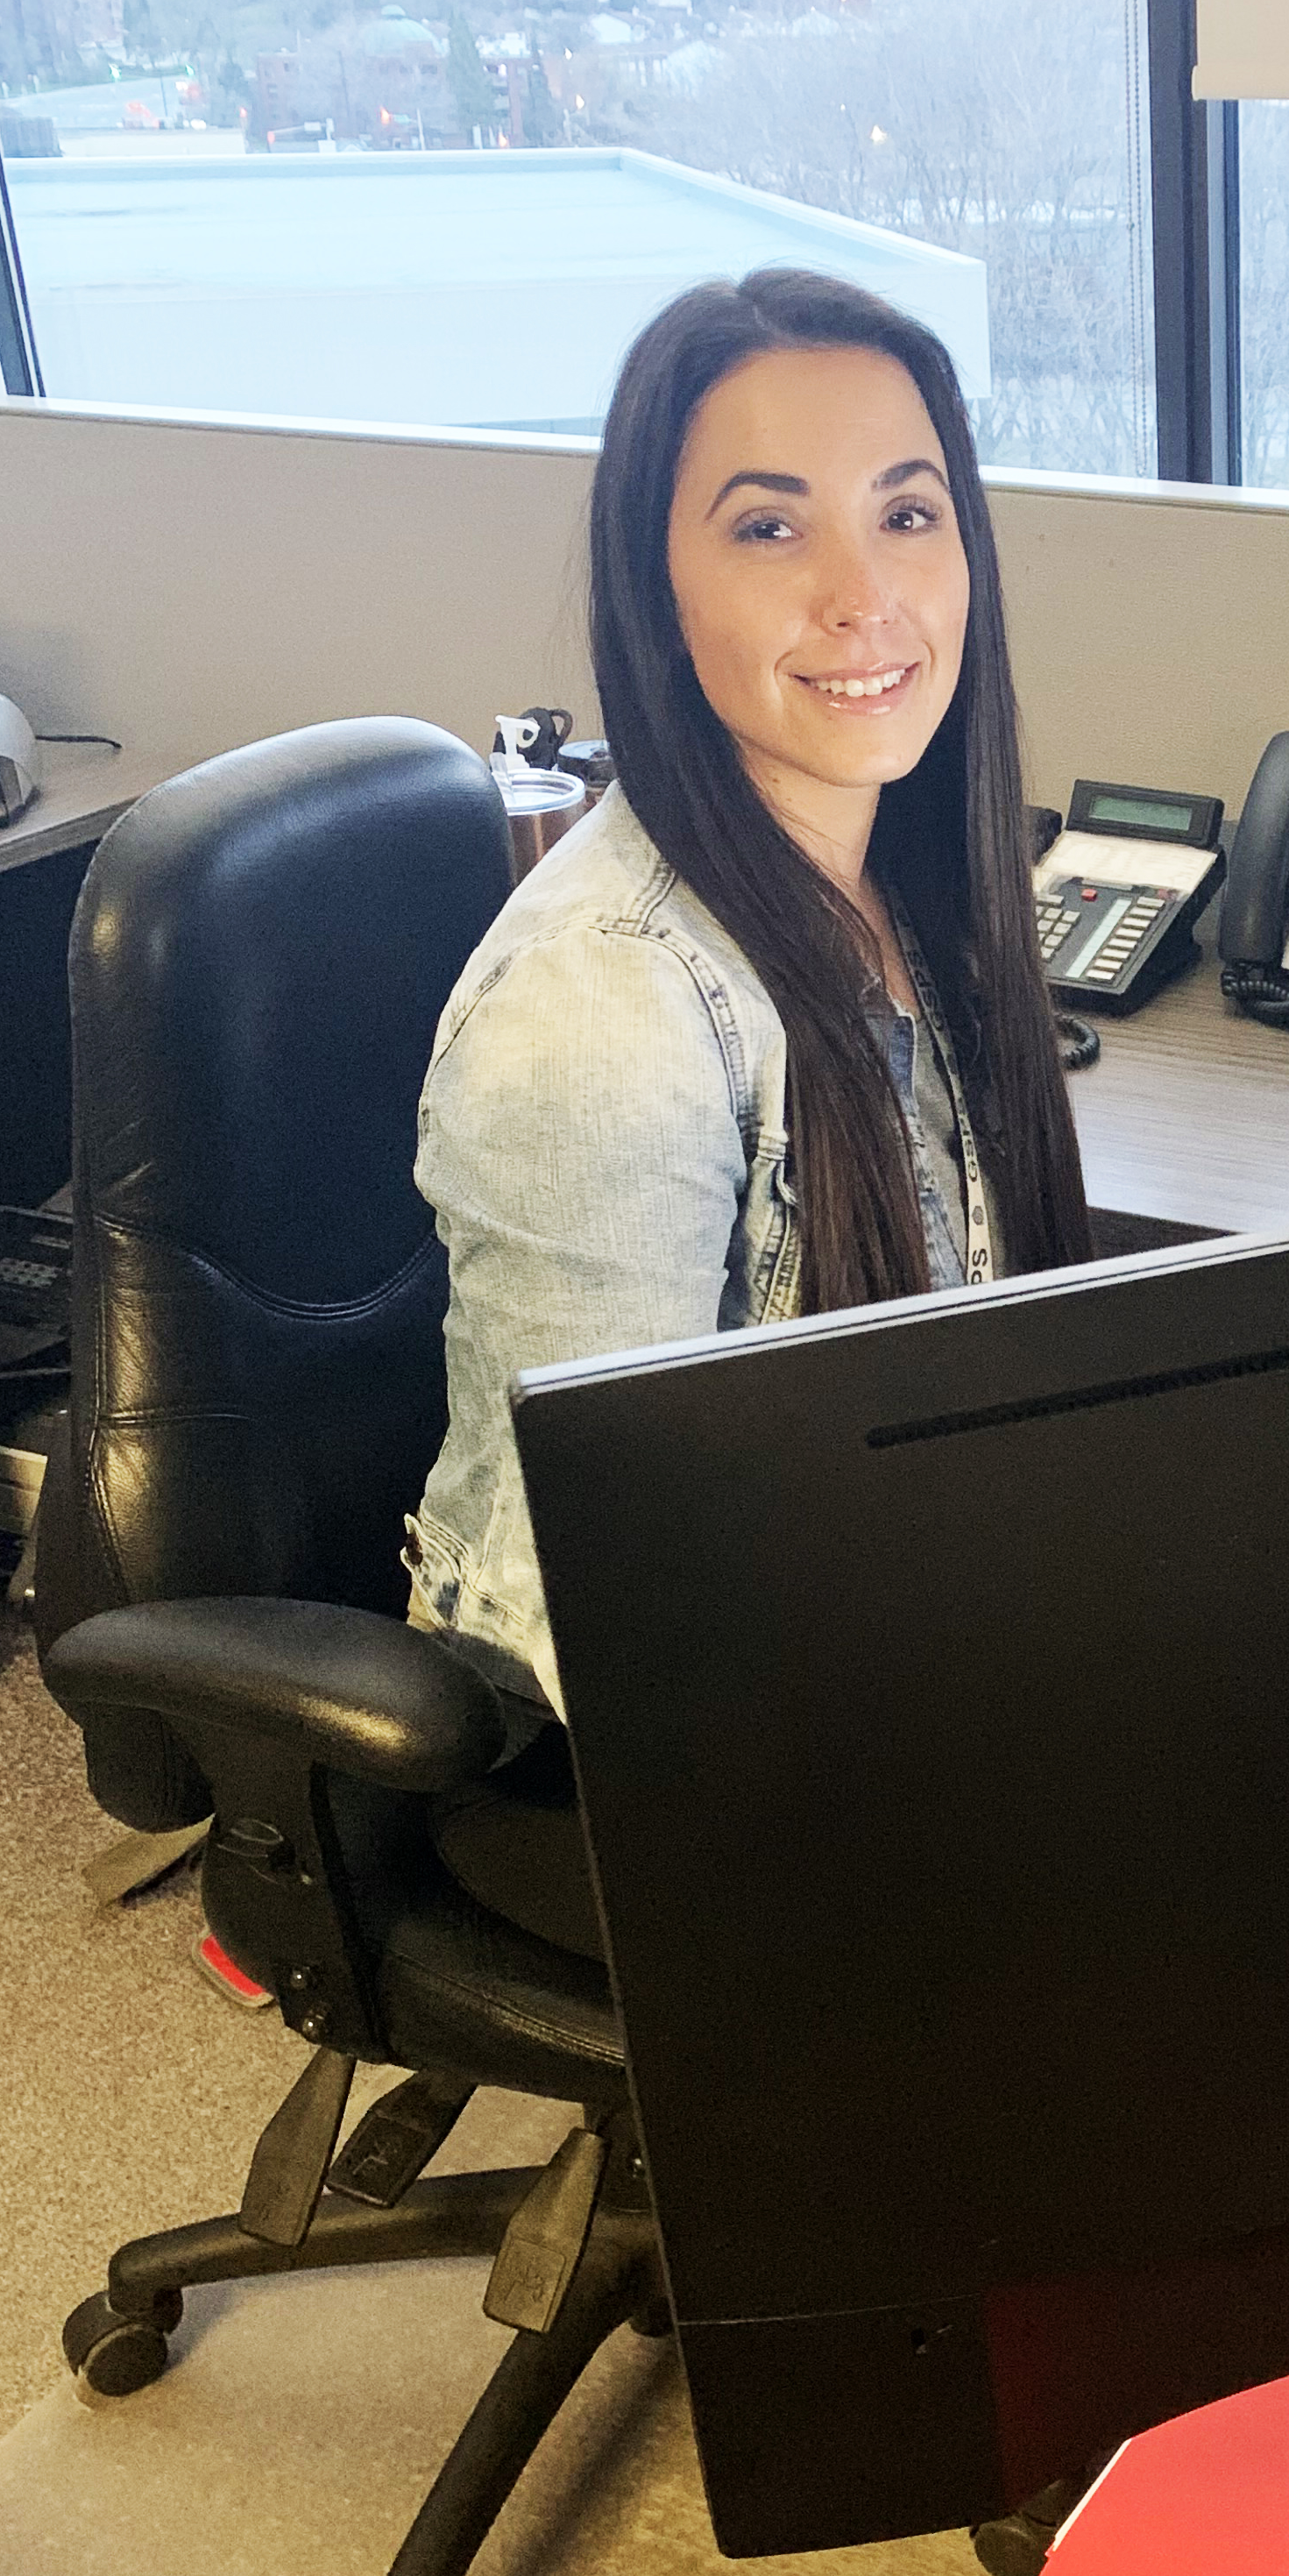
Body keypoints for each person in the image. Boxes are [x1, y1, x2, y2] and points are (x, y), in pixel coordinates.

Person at [403, 269, 1090, 1726]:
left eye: (907, 514)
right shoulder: (607, 1014)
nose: (866, 597)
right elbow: (599, 1616)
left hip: (886, 1613)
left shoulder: (900, 881)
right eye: (770, 528)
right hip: (670, 1758)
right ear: (657, 583)